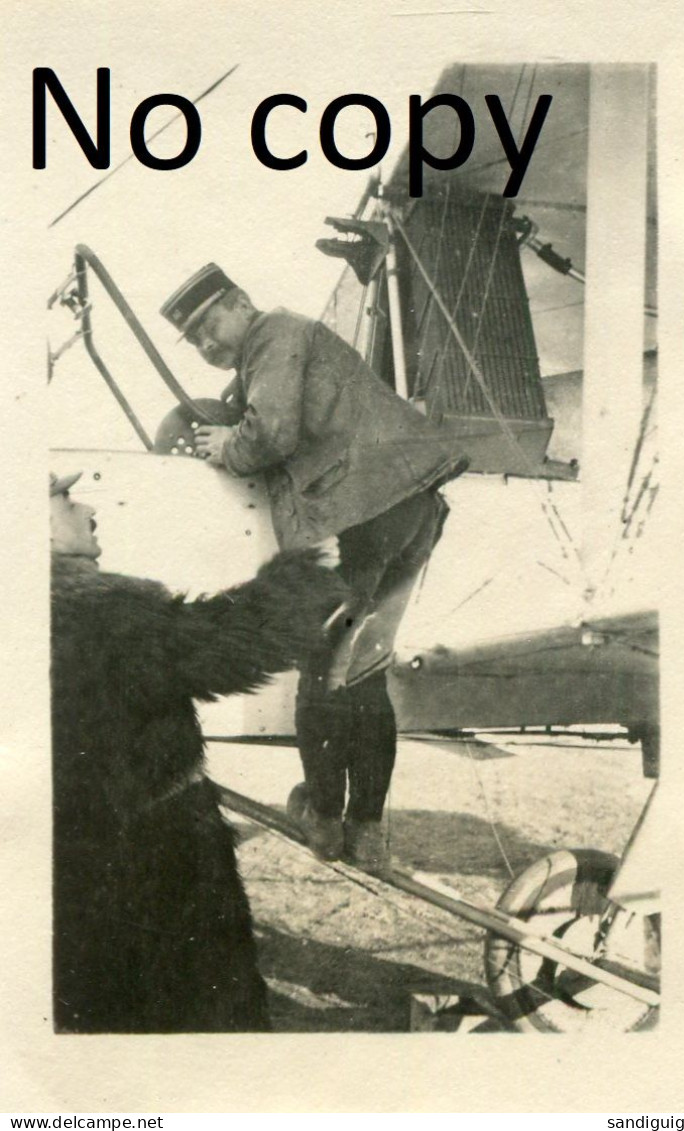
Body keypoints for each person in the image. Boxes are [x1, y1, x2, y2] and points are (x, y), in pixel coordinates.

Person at [159, 264, 468, 872]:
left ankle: (324, 818)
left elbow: (269, 433)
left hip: (364, 516)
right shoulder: (278, 349)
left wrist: (226, 446)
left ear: (242, 302)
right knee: (364, 671)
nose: (206, 343)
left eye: (210, 323)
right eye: (194, 338)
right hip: (410, 511)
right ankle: (368, 827)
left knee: (320, 668)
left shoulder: (274, 334)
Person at [50, 470, 346, 1032]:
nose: (88, 508)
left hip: (78, 865)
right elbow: (221, 647)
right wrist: (306, 577)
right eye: (65, 499)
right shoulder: (93, 616)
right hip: (152, 862)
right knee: (201, 1022)